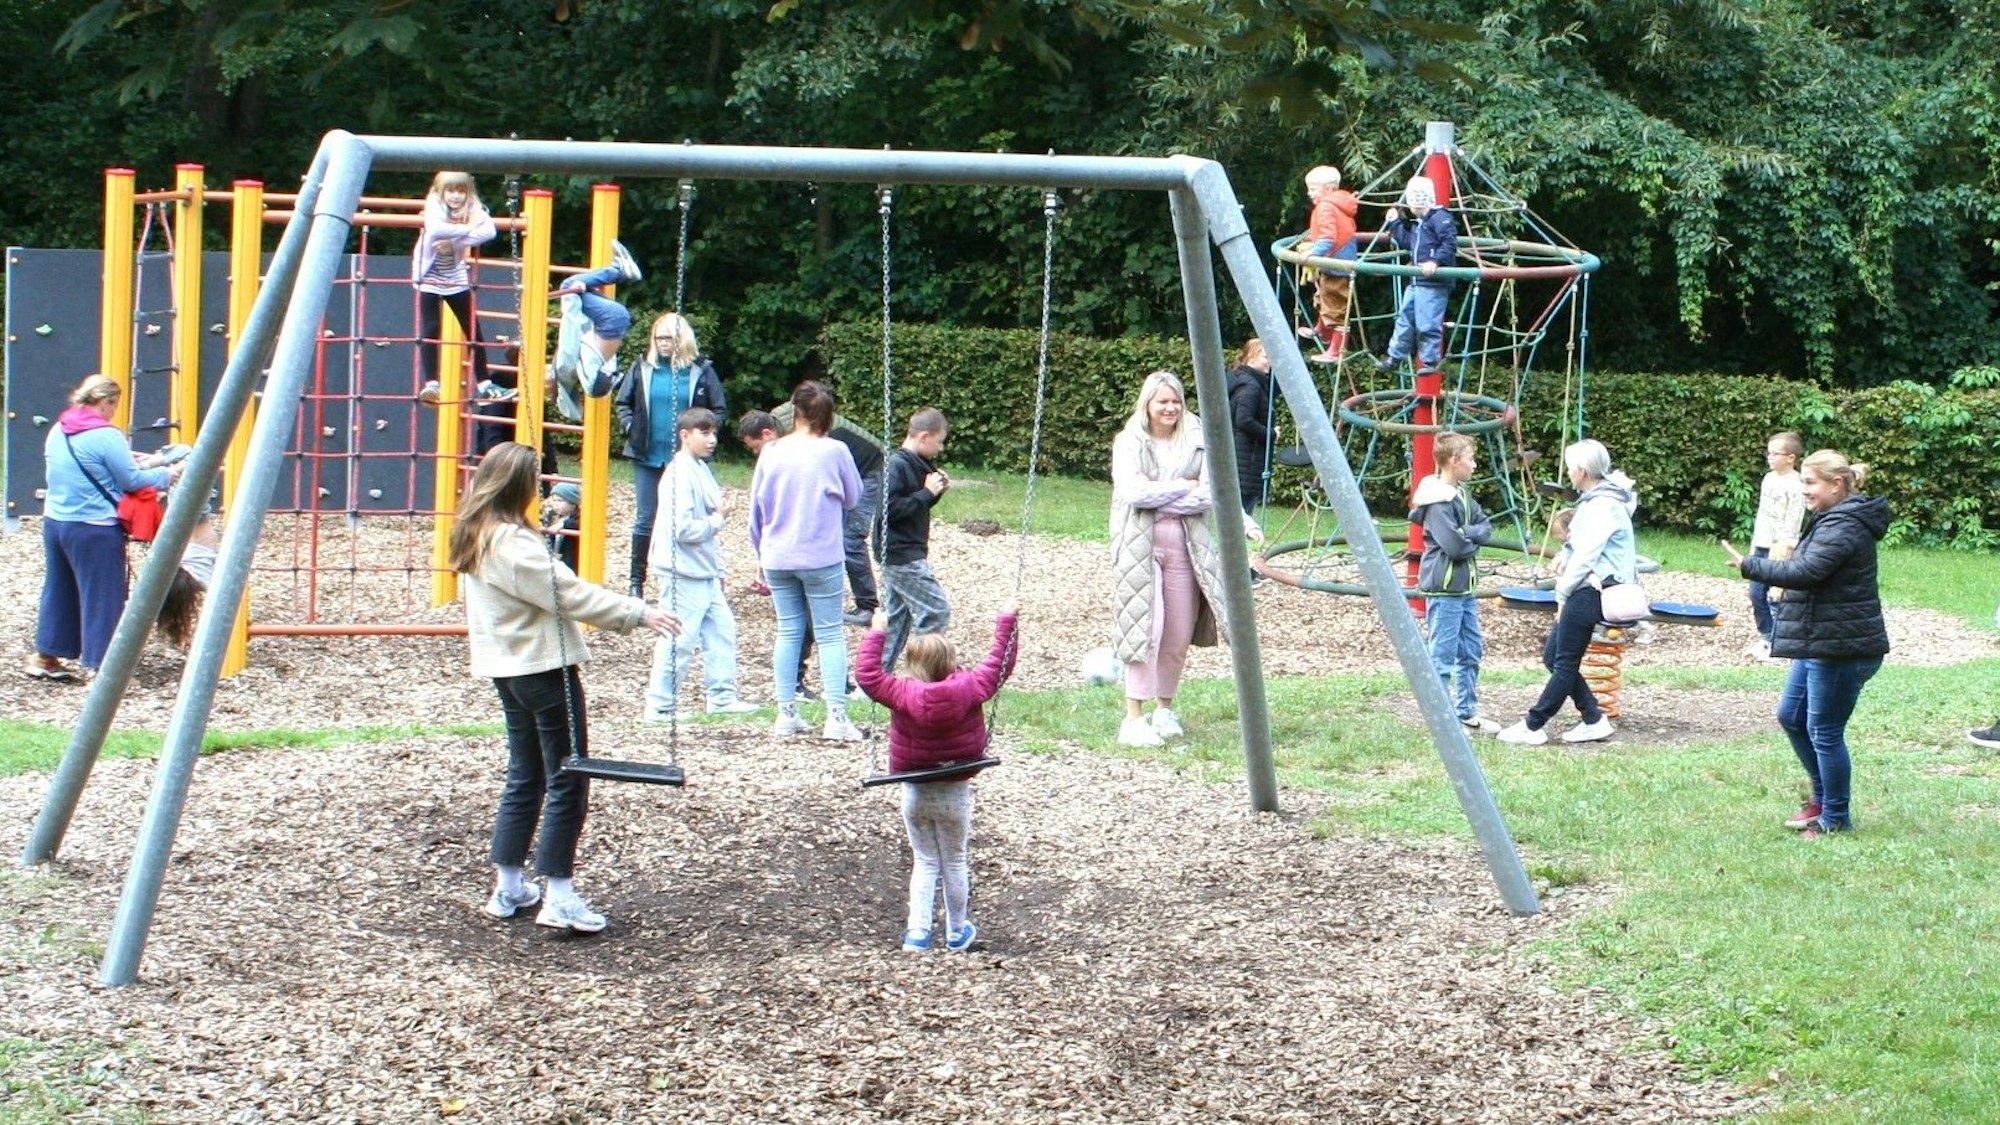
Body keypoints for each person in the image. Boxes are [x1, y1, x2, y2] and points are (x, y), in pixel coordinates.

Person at [449, 442, 679, 933]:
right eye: (535, 482)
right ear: (518, 487)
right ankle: (559, 896)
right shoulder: (511, 544)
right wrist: (638, 613)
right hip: (542, 670)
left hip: (508, 670)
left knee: (526, 772)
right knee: (567, 776)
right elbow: (566, 593)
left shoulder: (476, 532)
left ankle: (510, 886)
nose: (540, 490)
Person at [1726, 450, 1890, 837]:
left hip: (1842, 648)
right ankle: (1822, 800)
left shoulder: (1845, 525)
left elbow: (1807, 571)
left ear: (1837, 484)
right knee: (1791, 716)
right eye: (1803, 482)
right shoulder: (1833, 518)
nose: (1804, 490)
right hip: (1823, 641)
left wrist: (1750, 565)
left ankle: (1835, 818)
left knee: (1825, 732)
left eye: (1810, 482)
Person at [854, 606, 1019, 953]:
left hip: (915, 792)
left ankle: (917, 933)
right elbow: (1000, 663)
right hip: (954, 791)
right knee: (954, 860)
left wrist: (877, 631)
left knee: (926, 860)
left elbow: (867, 675)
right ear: (951, 662)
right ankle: (957, 932)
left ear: (912, 666)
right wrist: (1007, 619)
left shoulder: (900, 692)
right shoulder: (970, 687)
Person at [30, 374, 181, 681]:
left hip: (56, 522)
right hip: (94, 527)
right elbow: (132, 481)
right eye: (114, 405)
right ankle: (104, 670)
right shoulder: (106, 436)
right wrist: (170, 473)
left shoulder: (59, 429)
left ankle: (46, 657)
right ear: (104, 402)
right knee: (103, 596)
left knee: (59, 589)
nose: (114, 412)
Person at [1109, 369, 1230, 748]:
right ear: (1147, 403)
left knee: (1177, 632)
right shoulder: (1129, 441)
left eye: (1176, 401)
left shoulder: (1197, 440)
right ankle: (1133, 718)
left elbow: (1209, 495)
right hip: (1140, 546)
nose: (1170, 408)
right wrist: (1181, 486)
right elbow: (1134, 493)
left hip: (1186, 545)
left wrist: (1159, 493)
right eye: (1162, 401)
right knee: (1146, 628)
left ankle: (1164, 710)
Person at [1497, 439, 1636, 746]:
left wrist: (1562, 591)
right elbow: (1582, 543)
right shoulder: (1598, 500)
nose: (1568, 472)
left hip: (1591, 589)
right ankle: (1593, 719)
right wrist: (1566, 552)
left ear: (1582, 471)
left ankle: (1533, 725)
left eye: (1571, 467)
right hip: (1588, 586)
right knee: (1554, 656)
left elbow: (1587, 555)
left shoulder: (1602, 504)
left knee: (1565, 662)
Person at [748, 382, 864, 741]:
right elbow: (854, 497)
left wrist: (761, 553)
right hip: (820, 555)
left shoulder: (772, 451)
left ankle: (786, 713)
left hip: (777, 555)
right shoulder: (836, 451)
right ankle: (836, 717)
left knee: (788, 630)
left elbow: (756, 510)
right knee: (829, 633)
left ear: (794, 412)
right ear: (829, 415)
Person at [644, 407, 759, 720]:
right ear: (685, 435)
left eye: (714, 433)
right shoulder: (679, 474)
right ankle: (660, 706)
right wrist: (717, 520)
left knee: (722, 631)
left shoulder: (699, 468)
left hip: (703, 570)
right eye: (704, 433)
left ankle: (721, 698)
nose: (712, 440)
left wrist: (718, 568)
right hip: (682, 570)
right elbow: (682, 529)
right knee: (679, 639)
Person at [614, 312, 728, 599]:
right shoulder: (642, 366)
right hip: (648, 452)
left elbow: (718, 409)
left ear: (682, 339)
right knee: (646, 516)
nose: (664, 343)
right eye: (659, 338)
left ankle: (707, 574)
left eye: (670, 338)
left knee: (697, 514)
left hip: (687, 457)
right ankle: (637, 581)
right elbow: (623, 402)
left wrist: (704, 434)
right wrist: (631, 427)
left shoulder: (700, 370)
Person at [766, 399, 885, 625]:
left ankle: (868, 607)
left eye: (756, 447)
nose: (760, 453)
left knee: (851, 540)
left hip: (869, 468)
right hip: (853, 468)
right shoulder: (788, 422)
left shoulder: (796, 432)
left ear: (767, 433)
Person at [1412, 432, 1498, 734]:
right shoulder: (1437, 502)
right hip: (1445, 589)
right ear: (1453, 460)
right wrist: (1470, 539)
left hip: (1464, 588)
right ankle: (1441, 721)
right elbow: (1455, 548)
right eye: (1470, 459)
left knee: (1471, 652)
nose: (1474, 465)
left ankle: (1465, 712)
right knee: (1442, 656)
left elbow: (1486, 526)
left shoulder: (1462, 494)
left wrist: (1468, 533)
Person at [878, 408, 953, 672]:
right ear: (923, 437)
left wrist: (935, 491)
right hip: (901, 553)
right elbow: (889, 511)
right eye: (939, 441)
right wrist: (926, 493)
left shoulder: (916, 463)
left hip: (904, 550)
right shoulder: (897, 465)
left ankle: (875, 679)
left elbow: (915, 505)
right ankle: (926, 676)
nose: (941, 448)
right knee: (935, 611)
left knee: (896, 620)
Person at [412, 171, 497, 403]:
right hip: (428, 276)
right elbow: (435, 229)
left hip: (455, 277)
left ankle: (484, 383)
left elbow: (489, 231)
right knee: (431, 328)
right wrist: (470, 228)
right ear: (441, 192)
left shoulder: (472, 206)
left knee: (472, 328)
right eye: (451, 191)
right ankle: (431, 383)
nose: (456, 196)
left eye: (461, 191)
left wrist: (454, 243)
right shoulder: (434, 204)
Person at [548, 240, 642, 420]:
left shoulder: (572, 372)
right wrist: (571, 297)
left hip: (612, 323)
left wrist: (581, 290)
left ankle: (619, 271)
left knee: (575, 287)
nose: (545, 373)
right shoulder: (563, 368)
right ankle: (618, 271)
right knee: (568, 286)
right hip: (612, 320)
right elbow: (571, 327)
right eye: (546, 382)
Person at [1375, 176, 1458, 375]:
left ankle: (1430, 361)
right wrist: (1394, 223)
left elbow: (1449, 243)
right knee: (1404, 319)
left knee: (1427, 323)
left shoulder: (1439, 218)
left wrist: (1435, 261)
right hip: (1416, 281)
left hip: (1433, 283)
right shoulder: (1420, 223)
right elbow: (1409, 243)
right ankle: (1395, 357)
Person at [1745, 431, 1807, 659]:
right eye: (1768, 453)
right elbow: (1762, 516)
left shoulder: (1797, 485)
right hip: (1761, 544)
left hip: (1780, 547)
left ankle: (1779, 641)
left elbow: (1794, 520)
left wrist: (1785, 549)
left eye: (1775, 454)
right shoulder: (1768, 479)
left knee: (1776, 596)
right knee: (1756, 593)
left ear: (1791, 457)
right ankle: (1767, 635)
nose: (1770, 458)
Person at [1298, 166, 1359, 362]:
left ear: (1328, 189)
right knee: (1323, 298)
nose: (1310, 193)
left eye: (1313, 189)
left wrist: (1312, 252)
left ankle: (1335, 352)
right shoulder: (1337, 204)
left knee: (1336, 308)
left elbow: (1328, 238)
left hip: (1337, 265)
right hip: (1335, 263)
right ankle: (1321, 331)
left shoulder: (1326, 206)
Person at [1224, 338, 1275, 522]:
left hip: (1238, 456)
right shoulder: (1251, 386)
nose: (1270, 362)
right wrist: (1271, 433)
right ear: (1250, 358)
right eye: (1266, 357)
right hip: (1247, 460)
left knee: (1235, 516)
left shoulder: (1240, 380)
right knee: (1241, 517)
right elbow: (1244, 420)